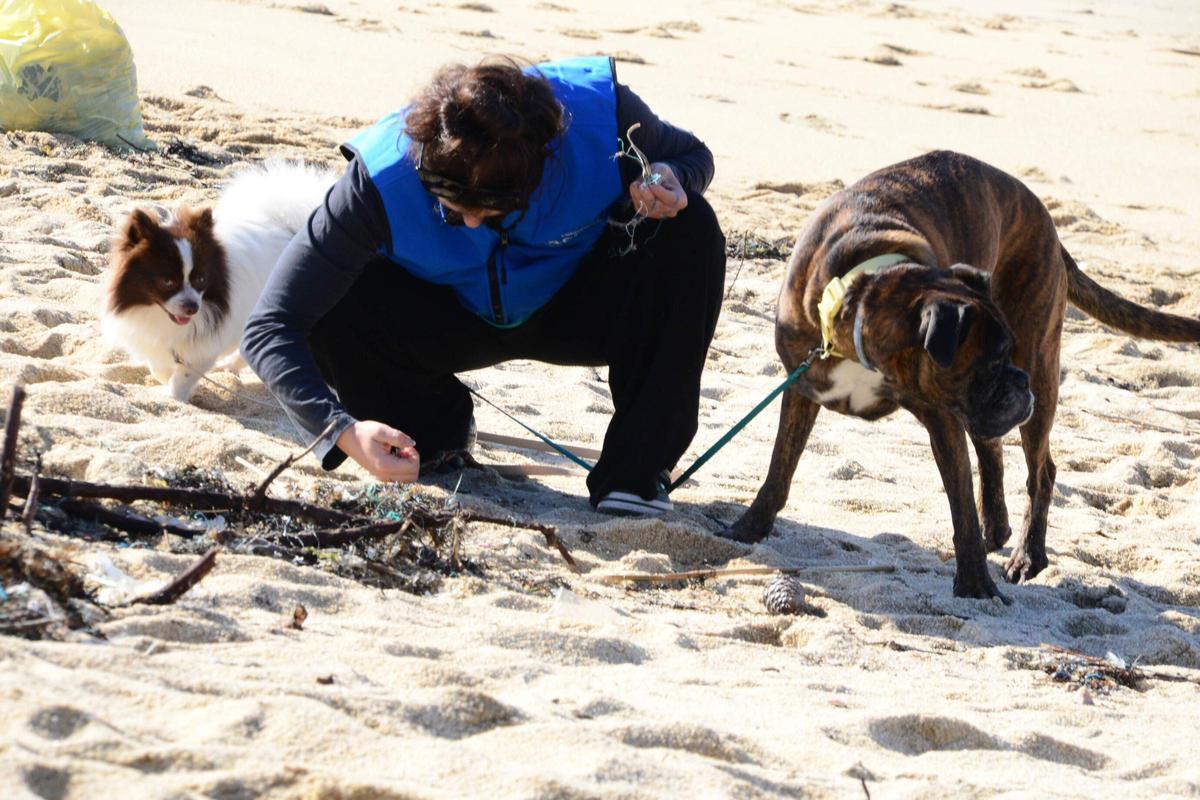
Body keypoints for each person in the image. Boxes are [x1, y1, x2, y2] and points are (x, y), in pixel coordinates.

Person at [242, 55, 725, 516]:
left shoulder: (604, 118)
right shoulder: (377, 179)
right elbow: (270, 327)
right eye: (452, 210)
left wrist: (669, 177)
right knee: (333, 292)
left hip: (575, 297)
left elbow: (691, 156)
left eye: (492, 209)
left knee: (689, 227)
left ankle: (636, 472)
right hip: (443, 312)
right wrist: (343, 431)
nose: (471, 223)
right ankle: (433, 432)